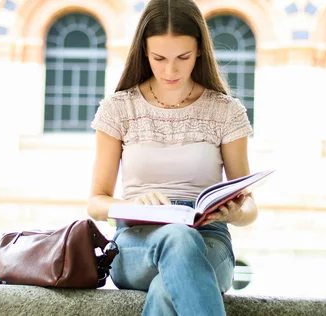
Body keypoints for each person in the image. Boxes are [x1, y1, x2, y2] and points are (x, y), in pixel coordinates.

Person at [87, 0, 257, 315]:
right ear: (143, 53)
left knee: (168, 288)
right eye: (159, 58)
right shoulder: (118, 108)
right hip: (137, 243)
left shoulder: (226, 112)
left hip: (209, 241)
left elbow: (249, 208)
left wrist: (233, 212)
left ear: (200, 52)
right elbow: (96, 203)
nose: (170, 70)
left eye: (183, 57)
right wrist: (132, 206)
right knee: (178, 239)